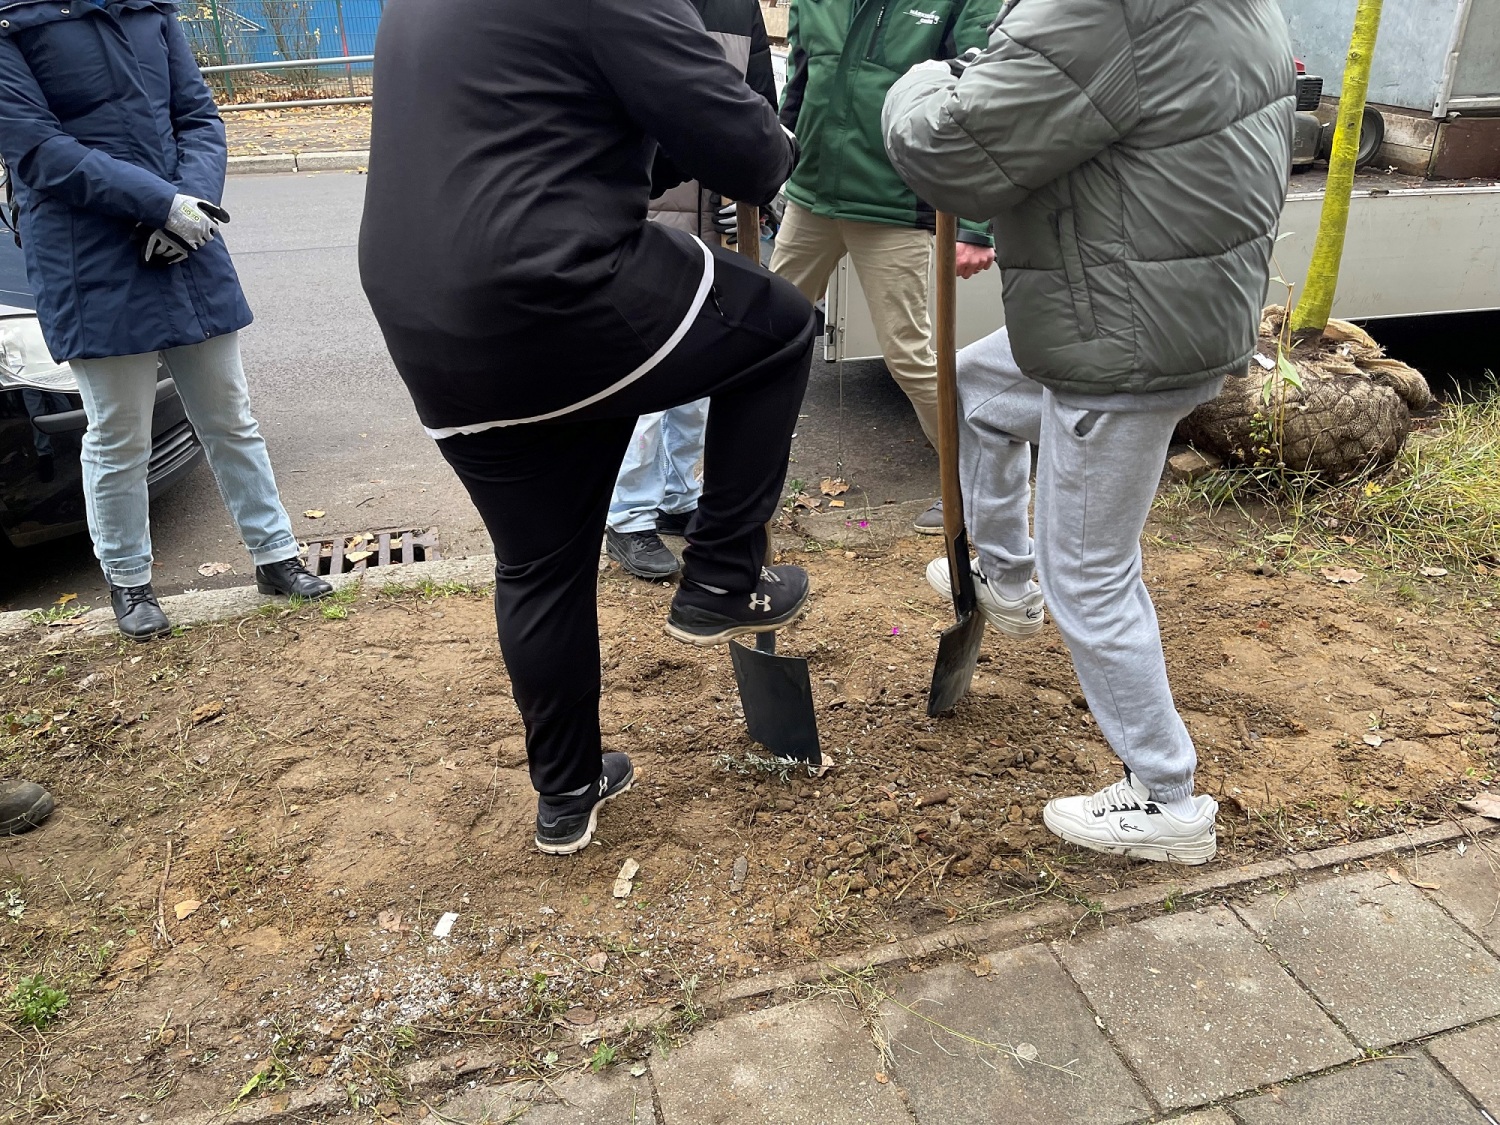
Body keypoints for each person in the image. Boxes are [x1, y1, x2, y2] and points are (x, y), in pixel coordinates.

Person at [360, 0, 816, 856]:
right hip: (552, 283)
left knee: (539, 562)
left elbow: (542, 127)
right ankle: (721, 576)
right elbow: (748, 148)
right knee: (780, 329)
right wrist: (772, 143)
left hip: (425, 316)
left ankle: (567, 790)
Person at [883, 0, 1294, 863]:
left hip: (1122, 333)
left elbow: (953, 148)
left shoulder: (1104, 7)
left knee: (1093, 570)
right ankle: (1003, 574)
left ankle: (1165, 796)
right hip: (1171, 304)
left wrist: (925, 82)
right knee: (979, 388)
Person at [0, 7, 331, 641]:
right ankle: (129, 581)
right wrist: (162, 204)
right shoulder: (12, 24)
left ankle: (275, 556)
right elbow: (38, 151)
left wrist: (193, 207)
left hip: (184, 237)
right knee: (118, 433)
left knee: (229, 416)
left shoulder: (149, 10)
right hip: (87, 255)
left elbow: (198, 118)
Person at [773, 0, 1000, 535]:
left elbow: (982, 101)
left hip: (894, 205)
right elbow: (798, 86)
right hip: (811, 200)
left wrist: (974, 221)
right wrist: (773, 165)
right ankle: (749, 481)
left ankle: (972, 488)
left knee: (910, 356)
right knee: (766, 339)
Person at [605, 0, 782, 581]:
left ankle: (681, 496)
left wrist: (757, 187)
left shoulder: (737, 7)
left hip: (712, 217)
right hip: (644, 214)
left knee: (698, 376)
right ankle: (629, 515)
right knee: (645, 377)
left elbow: (761, 108)